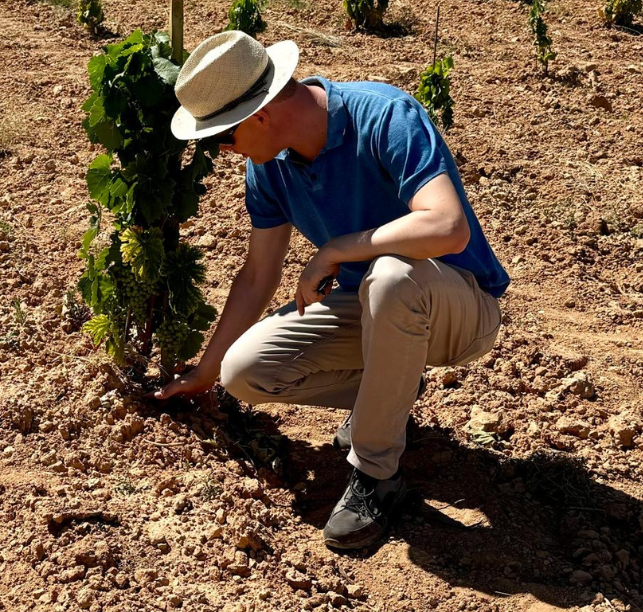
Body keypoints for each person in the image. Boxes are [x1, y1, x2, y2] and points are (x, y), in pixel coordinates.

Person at [152, 30, 509, 550]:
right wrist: (207, 371)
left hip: (457, 305)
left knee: (391, 274)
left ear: (259, 116)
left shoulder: (384, 115)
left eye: (221, 137)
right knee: (244, 370)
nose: (224, 151)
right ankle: (389, 393)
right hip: (376, 309)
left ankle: (376, 475)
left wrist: (339, 248)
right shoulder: (269, 166)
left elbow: (448, 226)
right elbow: (257, 275)